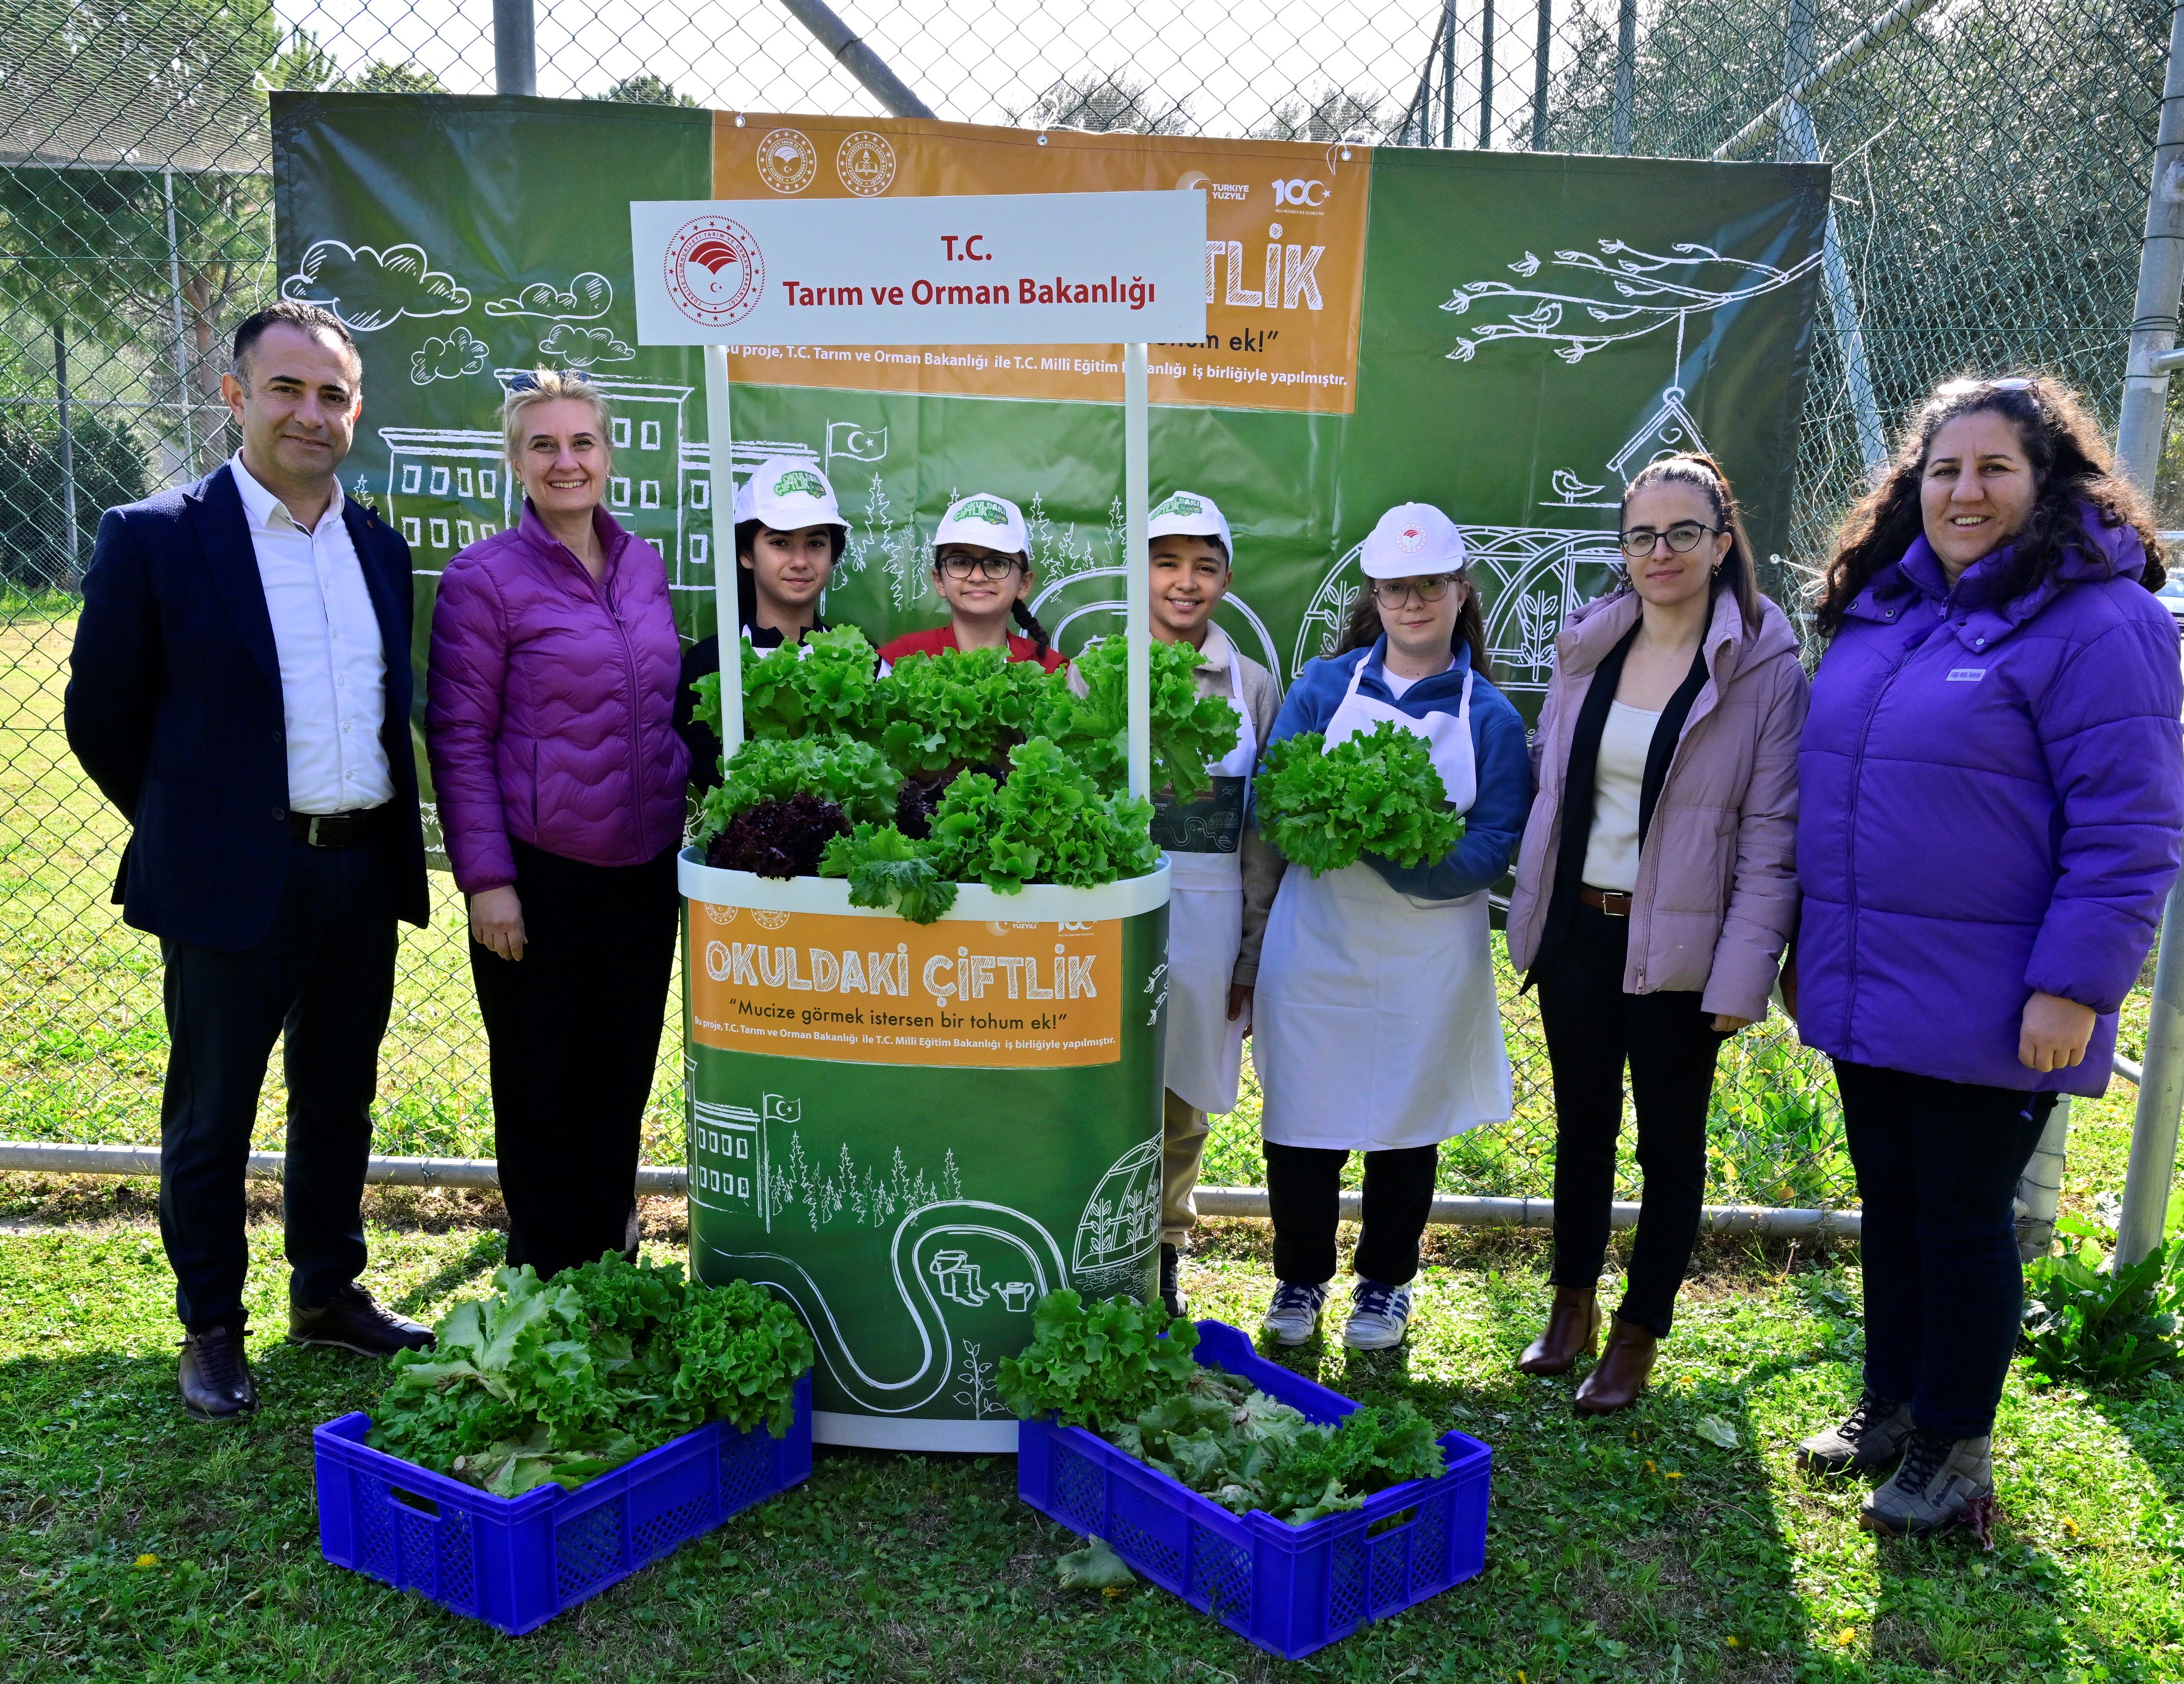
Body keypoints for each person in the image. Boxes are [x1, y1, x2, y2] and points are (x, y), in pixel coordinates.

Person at [1792, 375, 2183, 1537]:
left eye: (1991, 469)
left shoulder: (2098, 623)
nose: (1962, 491)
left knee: (1960, 1220)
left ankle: (1954, 1451)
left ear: (2046, 480)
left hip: (1999, 998)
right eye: (1941, 470)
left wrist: (2071, 987)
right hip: (1870, 978)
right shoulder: (1887, 607)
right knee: (1895, 1204)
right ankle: (1892, 1407)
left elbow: (2127, 828)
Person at [66, 300, 434, 1419]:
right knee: (213, 1111)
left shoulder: (378, 544)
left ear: (355, 412)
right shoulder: (159, 537)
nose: (309, 414)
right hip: (231, 880)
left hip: (358, 867)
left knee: (340, 1095)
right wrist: (200, 823)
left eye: (331, 395)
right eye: (286, 389)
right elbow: (103, 717)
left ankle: (327, 1292)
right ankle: (212, 1328)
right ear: (236, 396)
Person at [1504, 453, 1806, 1413]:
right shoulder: (1590, 647)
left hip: (1681, 951)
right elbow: (1557, 789)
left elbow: (1770, 835)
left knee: (1670, 1147)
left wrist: (1741, 973)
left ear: (1722, 544)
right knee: (1581, 1128)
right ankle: (1572, 1303)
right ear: (1623, 549)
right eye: (1642, 534)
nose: (1661, 551)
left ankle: (1639, 1330)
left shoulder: (1762, 664)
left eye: (1683, 533)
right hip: (1580, 936)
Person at [427, 369, 690, 1280]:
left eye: (582, 442)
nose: (566, 460)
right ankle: (546, 1269)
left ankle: (608, 1258)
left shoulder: (644, 563)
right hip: (540, 871)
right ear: (516, 462)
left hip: (644, 866)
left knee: (620, 1074)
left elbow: (660, 708)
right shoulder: (482, 580)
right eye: (544, 445)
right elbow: (459, 738)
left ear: (609, 455)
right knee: (540, 1081)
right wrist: (487, 881)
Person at [1252, 504, 1531, 1350]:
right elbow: (1273, 796)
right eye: (1394, 588)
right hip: (1318, 945)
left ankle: (1385, 1283)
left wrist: (1394, 855)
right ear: (1374, 594)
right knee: (1300, 1119)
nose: (1412, 602)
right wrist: (1343, 824)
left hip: (1427, 955)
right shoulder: (1322, 688)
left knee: (1408, 1124)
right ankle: (1299, 1278)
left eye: (1429, 586)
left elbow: (1491, 847)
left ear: (1458, 591)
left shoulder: (1493, 718)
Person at [1139, 491, 1285, 1319]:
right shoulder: (1102, 670)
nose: (1183, 582)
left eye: (1202, 566)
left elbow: (1261, 838)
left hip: (1212, 913)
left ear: (1226, 578)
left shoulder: (1253, 684)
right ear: (1144, 573)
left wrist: (1252, 951)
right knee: (1108, 1084)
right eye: (1167, 563)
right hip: (1122, 912)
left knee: (1182, 1103)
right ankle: (1097, 1238)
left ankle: (1164, 1249)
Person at [876, 493, 1069, 672]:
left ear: (1024, 583)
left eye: (997, 563)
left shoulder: (1054, 671)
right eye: (961, 562)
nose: (977, 577)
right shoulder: (900, 661)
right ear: (939, 581)